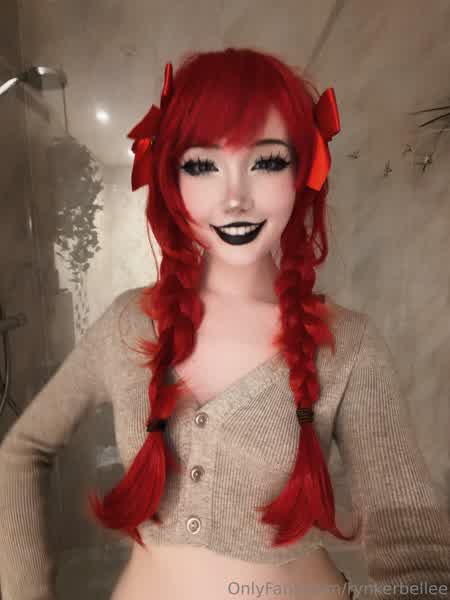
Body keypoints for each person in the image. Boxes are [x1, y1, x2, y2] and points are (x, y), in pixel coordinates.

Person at [0, 47, 448, 600]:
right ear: (172, 179)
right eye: (202, 165)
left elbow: (413, 544)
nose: (235, 198)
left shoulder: (348, 344)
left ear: (303, 171)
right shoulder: (128, 325)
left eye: (266, 162)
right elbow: (22, 450)